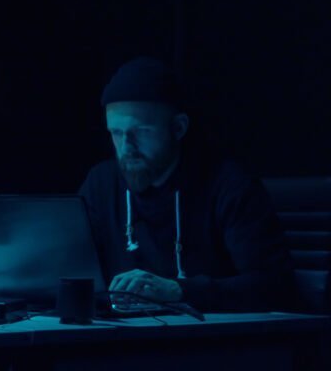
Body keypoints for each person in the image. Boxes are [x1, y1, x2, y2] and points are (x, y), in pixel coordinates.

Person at [78, 57, 297, 312]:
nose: (126, 147)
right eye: (116, 133)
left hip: (215, 340)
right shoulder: (100, 184)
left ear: (179, 127)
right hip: (125, 334)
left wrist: (179, 290)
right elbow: (68, 267)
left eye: (142, 131)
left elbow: (275, 285)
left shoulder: (229, 186)